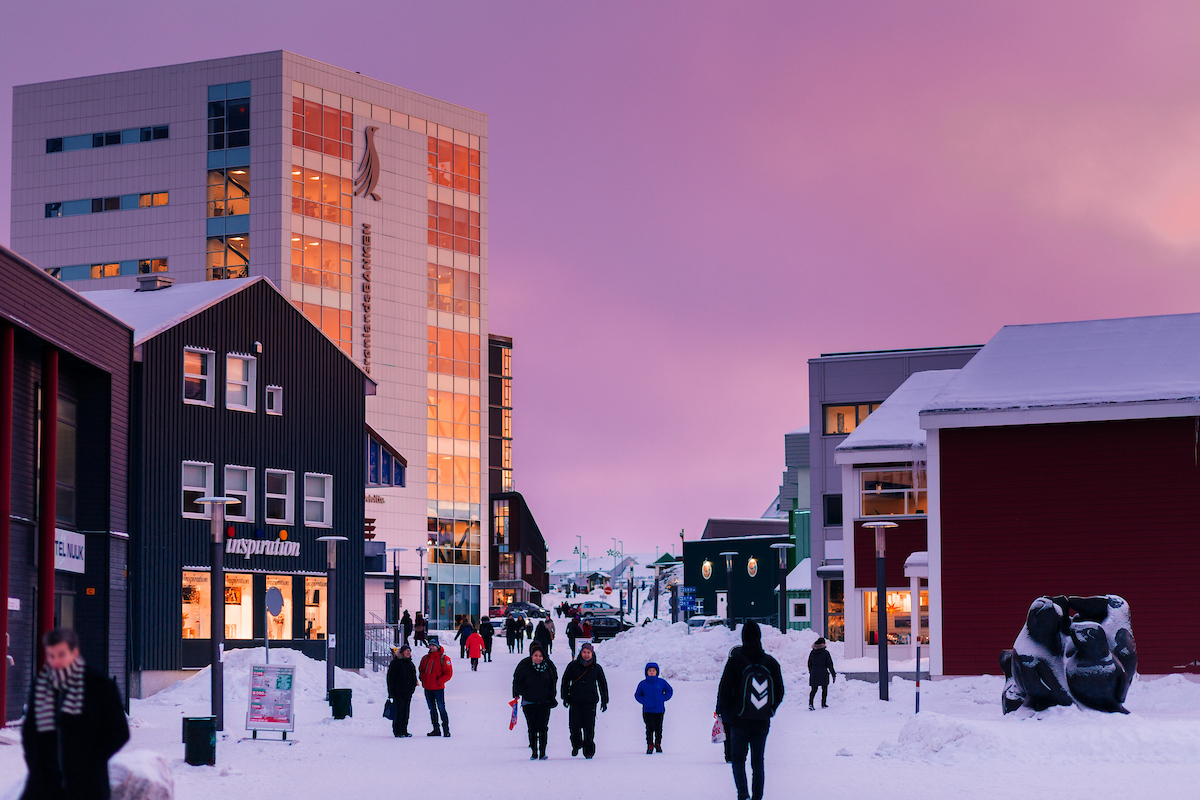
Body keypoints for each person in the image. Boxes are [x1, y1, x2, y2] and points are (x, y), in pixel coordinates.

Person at [20, 627, 129, 800]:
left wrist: (91, 760)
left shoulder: (99, 686)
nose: (56, 662)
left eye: (61, 654)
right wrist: (35, 763)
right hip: (44, 784)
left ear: (75, 652)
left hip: (87, 785)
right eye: (51, 655)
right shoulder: (41, 686)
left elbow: (118, 732)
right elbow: (30, 731)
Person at [716, 621, 785, 800]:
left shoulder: (735, 661)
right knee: (758, 762)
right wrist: (770, 710)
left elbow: (724, 690)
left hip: (739, 721)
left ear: (743, 637)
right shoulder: (771, 662)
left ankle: (743, 794)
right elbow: (780, 691)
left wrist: (730, 713)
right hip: (762, 721)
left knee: (738, 759)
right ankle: (757, 797)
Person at [560, 641, 608, 759]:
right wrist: (565, 696)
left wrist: (604, 700)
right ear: (580, 653)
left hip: (590, 701)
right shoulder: (573, 666)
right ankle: (576, 745)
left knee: (589, 727)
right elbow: (565, 681)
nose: (586, 655)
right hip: (575, 700)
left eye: (588, 652)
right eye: (584, 652)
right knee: (574, 726)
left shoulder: (596, 668)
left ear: (592, 654)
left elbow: (602, 684)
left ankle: (589, 750)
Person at [512, 642, 558, 760]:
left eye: (540, 656)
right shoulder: (524, 667)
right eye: (535, 655)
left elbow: (553, 683)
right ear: (531, 656)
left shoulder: (548, 668)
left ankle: (542, 751)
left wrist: (552, 697)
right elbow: (517, 682)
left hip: (545, 702)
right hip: (529, 703)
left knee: (543, 727)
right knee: (532, 727)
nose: (538, 658)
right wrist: (523, 693)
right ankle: (534, 751)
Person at [634, 662, 674, 754]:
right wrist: (644, 701)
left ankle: (658, 744)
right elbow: (637, 695)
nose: (652, 672)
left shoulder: (661, 682)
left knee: (659, 728)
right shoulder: (643, 684)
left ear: (657, 672)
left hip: (659, 710)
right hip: (647, 710)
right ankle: (650, 744)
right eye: (650, 671)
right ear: (646, 672)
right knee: (649, 727)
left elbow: (669, 690)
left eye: (653, 670)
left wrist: (663, 698)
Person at [419, 637, 453, 737]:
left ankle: (446, 730)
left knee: (441, 708)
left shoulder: (444, 658)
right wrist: (422, 678)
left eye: (434, 645)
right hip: (428, 688)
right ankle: (436, 729)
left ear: (437, 647)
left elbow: (448, 673)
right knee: (432, 710)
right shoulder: (425, 658)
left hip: (438, 689)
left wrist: (439, 681)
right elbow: (421, 669)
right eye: (430, 645)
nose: (432, 647)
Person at [386, 645, 418, 737]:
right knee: (399, 711)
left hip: (407, 692)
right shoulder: (396, 663)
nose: (408, 652)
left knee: (406, 712)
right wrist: (391, 692)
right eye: (406, 651)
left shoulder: (410, 664)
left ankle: (404, 730)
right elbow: (390, 678)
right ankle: (397, 731)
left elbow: (413, 677)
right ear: (402, 652)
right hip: (398, 692)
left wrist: (412, 688)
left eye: (409, 651)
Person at [807, 637, 837, 710]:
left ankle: (811, 704)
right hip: (823, 672)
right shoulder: (825, 653)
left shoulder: (812, 652)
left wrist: (811, 671)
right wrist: (833, 674)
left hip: (814, 673)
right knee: (824, 689)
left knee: (813, 690)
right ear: (823, 644)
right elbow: (830, 664)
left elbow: (809, 663)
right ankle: (823, 704)